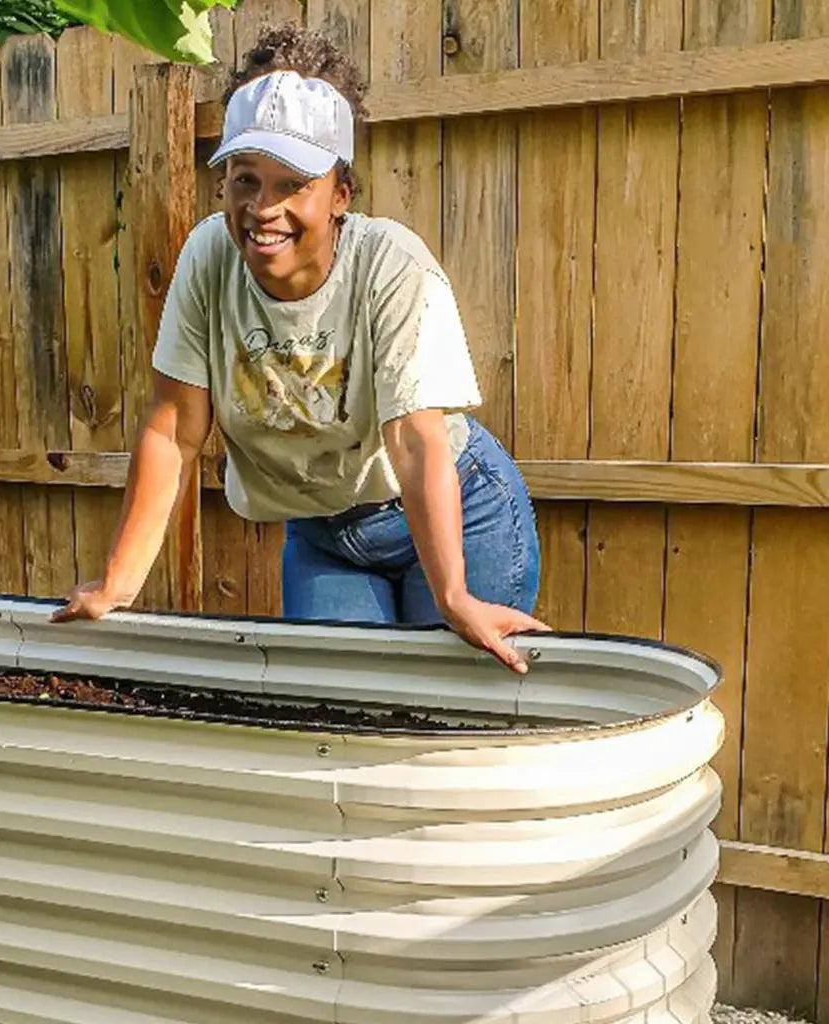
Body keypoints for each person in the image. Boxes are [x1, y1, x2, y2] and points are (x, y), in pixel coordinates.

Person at [52, 25, 547, 672]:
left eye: (293, 184)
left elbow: (415, 439)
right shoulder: (208, 260)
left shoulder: (391, 267)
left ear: (340, 193)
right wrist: (117, 583)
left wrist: (454, 595)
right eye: (245, 179)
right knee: (340, 712)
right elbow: (174, 430)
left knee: (453, 715)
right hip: (323, 533)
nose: (263, 208)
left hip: (453, 508)